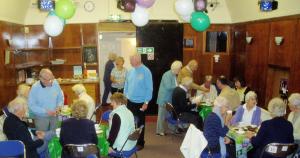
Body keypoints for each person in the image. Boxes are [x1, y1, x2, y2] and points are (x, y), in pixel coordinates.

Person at [124, 53, 153, 150]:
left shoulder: (146, 71)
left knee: (140, 123)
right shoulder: (130, 71)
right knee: (131, 122)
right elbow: (126, 84)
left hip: (141, 102)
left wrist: (146, 102)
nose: (130, 62)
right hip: (130, 101)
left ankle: (140, 142)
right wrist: (125, 97)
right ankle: (132, 140)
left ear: (137, 60)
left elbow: (149, 88)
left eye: (131, 60)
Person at [156, 60, 182, 136]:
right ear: (176, 68)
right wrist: (178, 86)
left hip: (169, 99)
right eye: (180, 68)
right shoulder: (167, 75)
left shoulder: (173, 75)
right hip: (164, 99)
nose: (180, 70)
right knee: (161, 116)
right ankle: (159, 131)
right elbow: (168, 87)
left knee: (170, 115)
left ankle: (173, 129)